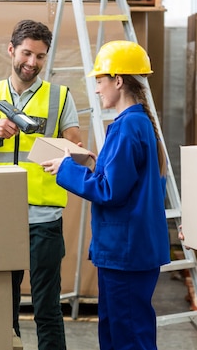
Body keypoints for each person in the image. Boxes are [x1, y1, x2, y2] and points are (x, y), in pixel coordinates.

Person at [0, 19, 81, 350]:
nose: (32, 63)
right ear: (11, 50)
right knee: (0, 310)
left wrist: (49, 149)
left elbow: (78, 154)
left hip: (44, 219)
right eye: (26, 53)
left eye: (40, 56)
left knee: (47, 309)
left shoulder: (60, 97)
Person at [40, 40, 171, 350]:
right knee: (117, 333)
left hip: (126, 253)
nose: (97, 89)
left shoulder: (129, 127)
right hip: (126, 252)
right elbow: (123, 180)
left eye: (99, 80)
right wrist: (92, 163)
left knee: (127, 338)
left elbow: (110, 191)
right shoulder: (133, 124)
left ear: (118, 80)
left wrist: (65, 169)